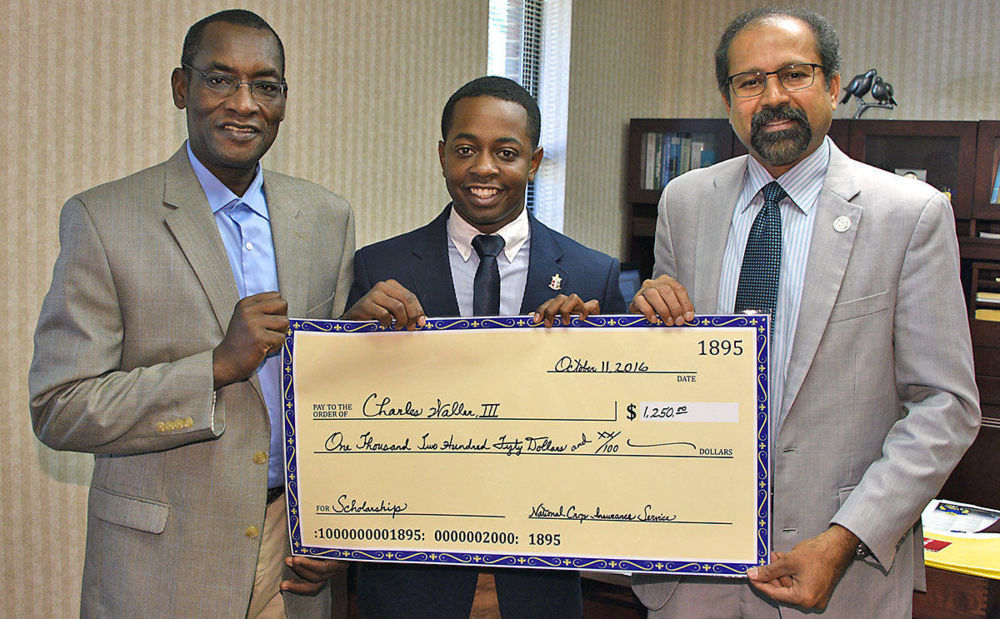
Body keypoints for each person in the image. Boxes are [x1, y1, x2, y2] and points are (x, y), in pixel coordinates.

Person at [629, 7, 980, 617]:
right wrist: (643, 326)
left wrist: (844, 541)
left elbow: (946, 405)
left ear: (833, 86)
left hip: (838, 573)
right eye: (751, 82)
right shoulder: (684, 202)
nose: (773, 97)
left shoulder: (910, 213)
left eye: (794, 74)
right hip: (693, 573)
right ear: (728, 98)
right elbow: (676, 368)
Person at [29, 10, 352, 617]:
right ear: (182, 87)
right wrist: (214, 367)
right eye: (220, 79)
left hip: (293, 560)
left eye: (266, 85)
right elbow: (60, 408)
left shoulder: (326, 217)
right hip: (161, 567)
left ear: (283, 101)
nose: (244, 103)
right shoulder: (104, 219)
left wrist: (338, 528)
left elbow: (329, 401)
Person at [344, 76, 626, 617]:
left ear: (535, 161)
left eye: (507, 152)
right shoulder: (380, 268)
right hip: (410, 579)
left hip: (538, 582)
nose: (484, 168)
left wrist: (587, 353)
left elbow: (613, 430)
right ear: (442, 153)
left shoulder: (594, 276)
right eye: (466, 149)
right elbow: (351, 421)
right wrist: (352, 339)